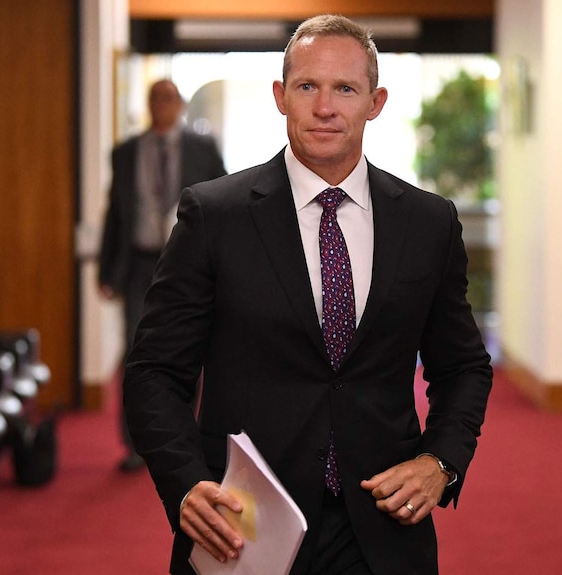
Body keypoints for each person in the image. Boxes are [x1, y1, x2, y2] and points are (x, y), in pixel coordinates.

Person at [124, 14, 492, 575]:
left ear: (376, 101)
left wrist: (441, 461)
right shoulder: (213, 215)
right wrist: (185, 483)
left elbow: (463, 365)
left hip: (384, 530)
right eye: (307, 87)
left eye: (345, 88)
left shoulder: (429, 223)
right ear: (281, 96)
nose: (325, 107)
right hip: (243, 526)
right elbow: (155, 370)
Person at [98, 79, 226, 472]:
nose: (162, 106)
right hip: (138, 263)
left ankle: (185, 432)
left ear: (181, 105)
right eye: (155, 98)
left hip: (187, 261)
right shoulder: (124, 153)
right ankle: (137, 444)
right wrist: (107, 271)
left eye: (169, 99)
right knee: (138, 350)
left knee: (190, 346)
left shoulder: (202, 150)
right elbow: (115, 215)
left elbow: (224, 201)